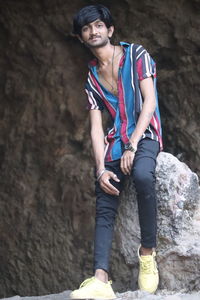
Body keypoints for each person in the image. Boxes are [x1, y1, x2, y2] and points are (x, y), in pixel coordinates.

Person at [70, 4, 163, 299]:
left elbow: (149, 102)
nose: (93, 31)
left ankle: (147, 254)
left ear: (109, 31)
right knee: (105, 196)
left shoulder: (137, 55)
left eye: (98, 25)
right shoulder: (92, 78)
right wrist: (100, 168)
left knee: (144, 175)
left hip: (145, 134)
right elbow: (96, 128)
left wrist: (133, 145)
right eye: (86, 28)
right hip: (116, 139)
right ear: (81, 38)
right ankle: (101, 279)